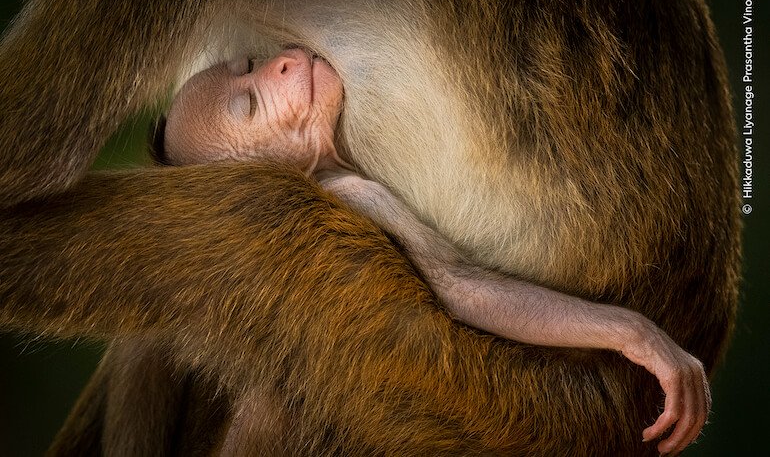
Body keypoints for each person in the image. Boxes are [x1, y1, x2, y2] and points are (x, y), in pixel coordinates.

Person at [160, 48, 710, 443]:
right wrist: (631, 333)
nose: (276, 66)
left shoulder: (340, 174)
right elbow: (463, 289)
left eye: (247, 65)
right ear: (263, 185)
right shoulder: (347, 198)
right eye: (250, 105)